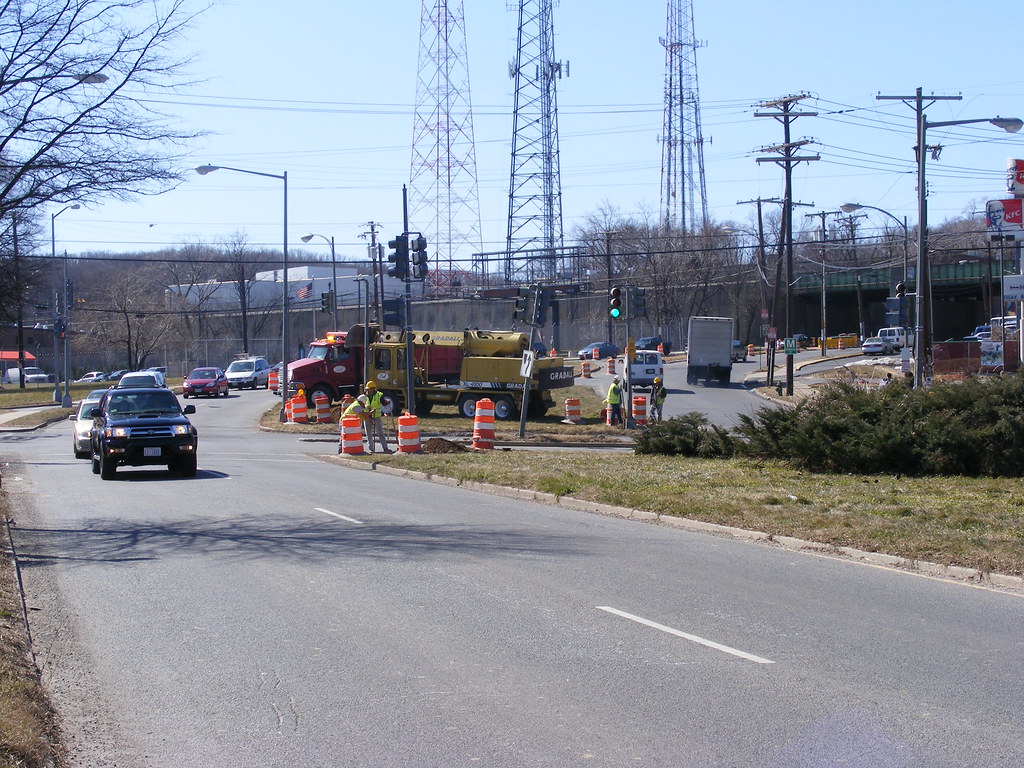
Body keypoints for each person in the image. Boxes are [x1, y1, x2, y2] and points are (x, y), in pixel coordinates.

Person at [362, 381, 391, 454]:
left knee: (380, 433)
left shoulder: (379, 395)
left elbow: (384, 403)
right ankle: (371, 449)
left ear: (373, 388)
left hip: (376, 417)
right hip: (367, 416)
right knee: (368, 434)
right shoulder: (364, 396)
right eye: (367, 389)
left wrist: (387, 402)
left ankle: (385, 448)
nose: (368, 390)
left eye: (369, 389)